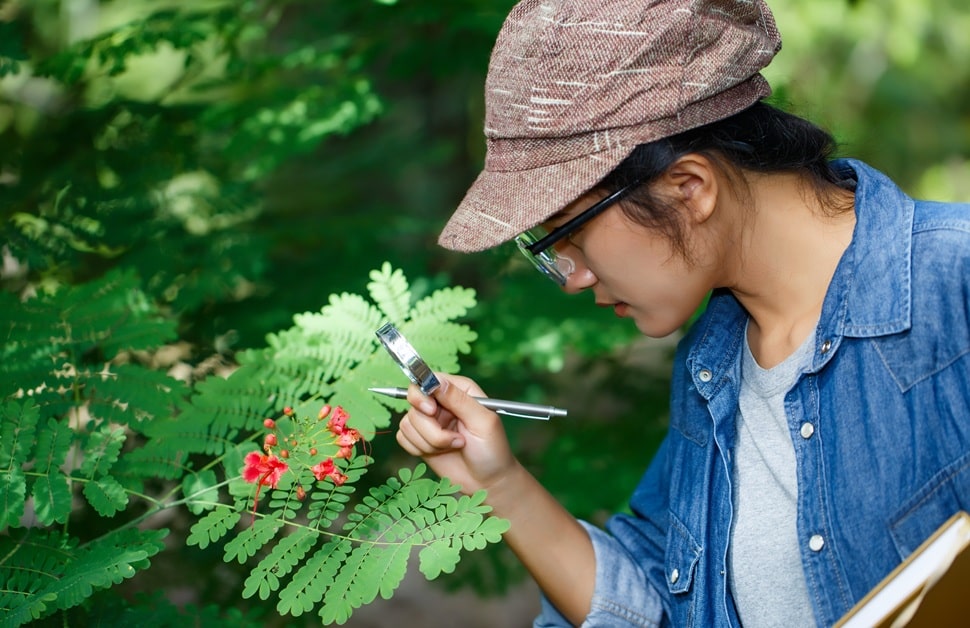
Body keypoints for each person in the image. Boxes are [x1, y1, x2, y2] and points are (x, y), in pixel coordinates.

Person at [394, 0, 970, 626]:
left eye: (571, 233)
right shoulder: (714, 361)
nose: (573, 277)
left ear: (689, 188)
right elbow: (660, 606)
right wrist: (496, 482)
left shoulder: (953, 288)